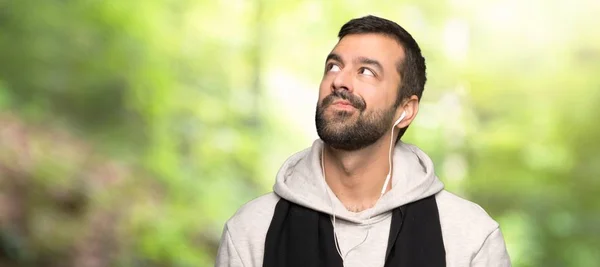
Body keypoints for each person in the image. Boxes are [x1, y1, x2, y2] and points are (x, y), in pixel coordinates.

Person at [215, 15, 511, 267]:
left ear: (405, 110)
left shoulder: (470, 237)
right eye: (333, 66)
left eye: (366, 71)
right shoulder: (251, 231)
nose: (340, 80)